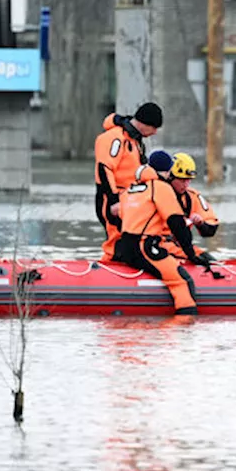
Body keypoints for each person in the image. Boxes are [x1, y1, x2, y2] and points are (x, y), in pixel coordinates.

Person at [114, 151, 215, 316]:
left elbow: (120, 220)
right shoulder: (160, 188)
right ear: (168, 171)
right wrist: (191, 255)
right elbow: (177, 225)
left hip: (125, 247)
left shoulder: (131, 190)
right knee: (182, 281)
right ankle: (184, 327)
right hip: (146, 247)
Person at [94, 102, 162, 262]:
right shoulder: (115, 138)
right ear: (145, 123)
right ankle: (108, 271)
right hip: (112, 198)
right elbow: (104, 169)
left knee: (129, 240)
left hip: (129, 198)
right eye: (154, 127)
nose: (155, 132)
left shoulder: (134, 141)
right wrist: (113, 200)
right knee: (116, 239)